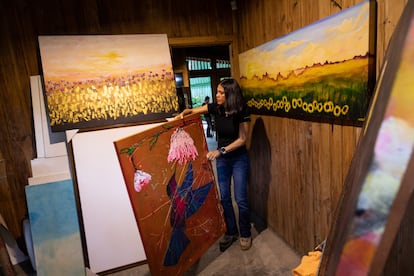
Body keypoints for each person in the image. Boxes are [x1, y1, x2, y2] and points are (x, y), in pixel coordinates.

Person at [176, 78, 252, 251]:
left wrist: (220, 151)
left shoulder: (242, 110)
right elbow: (194, 111)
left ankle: (245, 233)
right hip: (223, 160)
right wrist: (185, 111)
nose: (216, 95)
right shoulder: (216, 108)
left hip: (238, 158)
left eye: (220, 93)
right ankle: (231, 231)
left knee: (240, 199)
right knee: (224, 197)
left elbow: (243, 139)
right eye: (216, 92)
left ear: (229, 95)